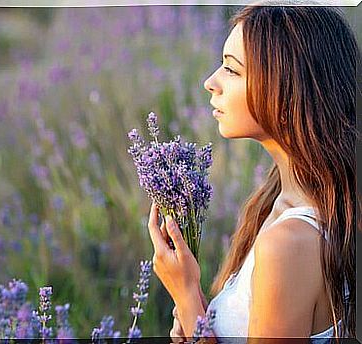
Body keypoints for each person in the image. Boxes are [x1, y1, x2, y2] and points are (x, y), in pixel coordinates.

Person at [147, 4, 358, 342]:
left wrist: (186, 295)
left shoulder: (290, 242)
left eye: (232, 70)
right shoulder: (278, 200)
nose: (210, 82)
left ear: (286, 88)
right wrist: (199, 318)